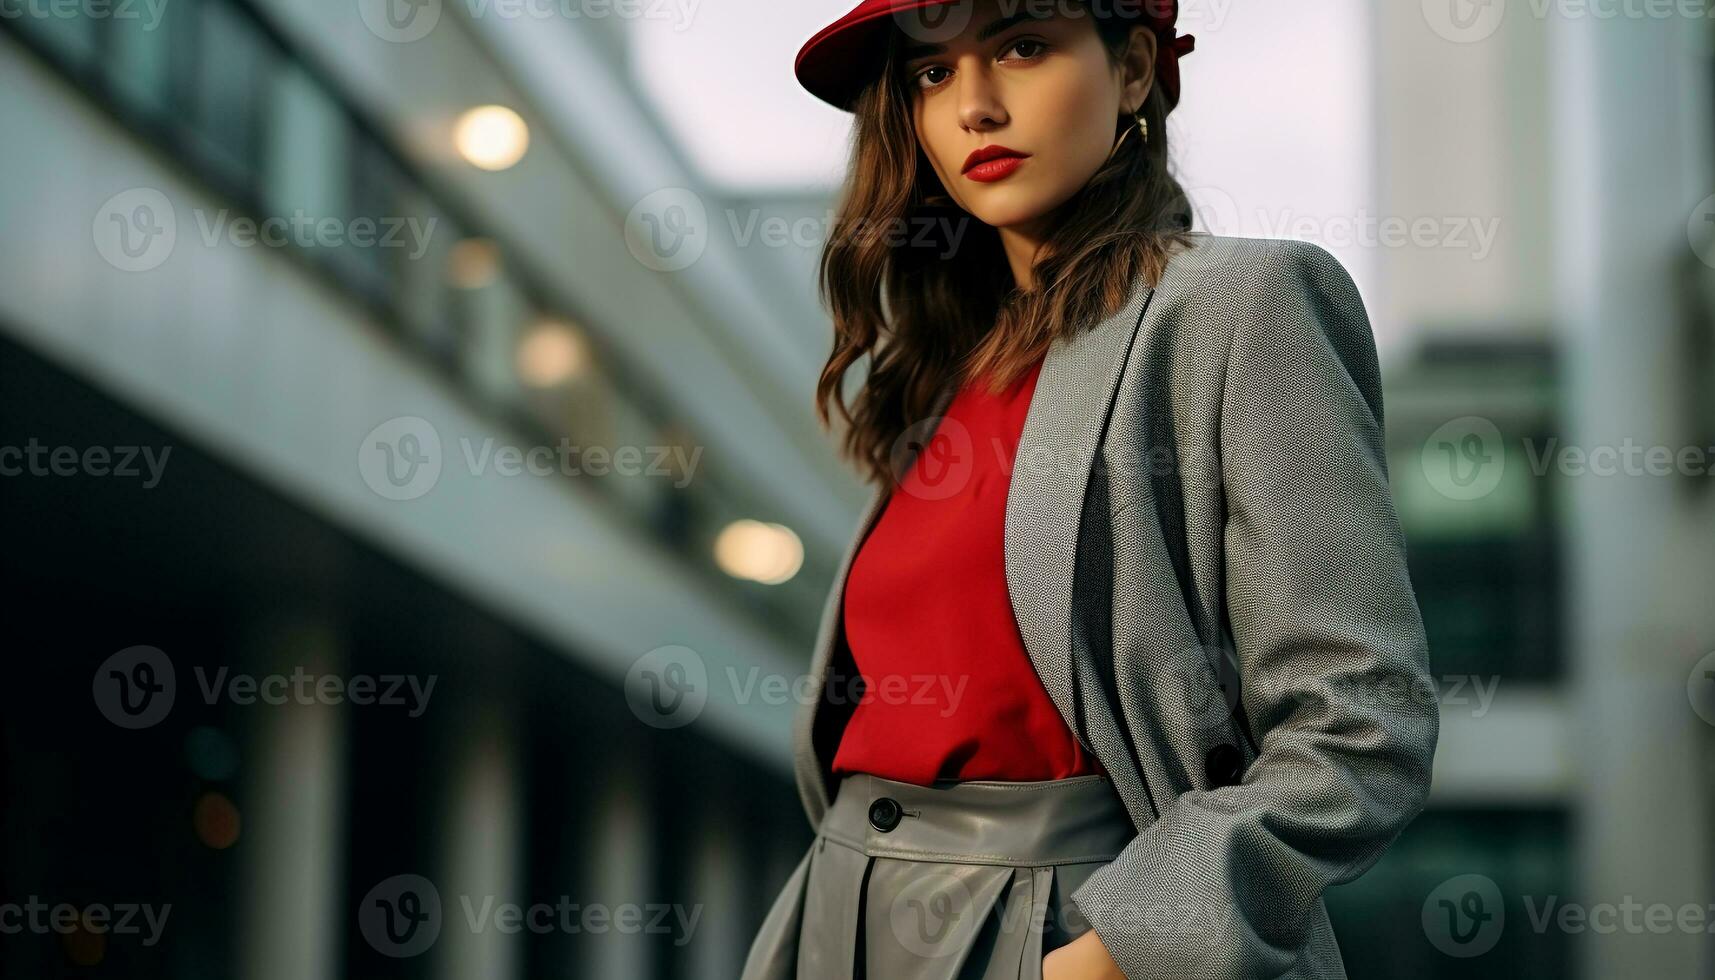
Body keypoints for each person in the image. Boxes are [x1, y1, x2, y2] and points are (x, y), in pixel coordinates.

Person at [742, 1, 1440, 977]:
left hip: (1064, 926)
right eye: (931, 74)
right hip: (839, 914)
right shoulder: (942, 369)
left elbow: (1359, 717)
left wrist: (1121, 944)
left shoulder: (1242, 306)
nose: (974, 106)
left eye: (1021, 47)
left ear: (1130, 70)